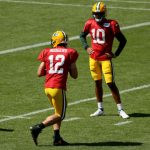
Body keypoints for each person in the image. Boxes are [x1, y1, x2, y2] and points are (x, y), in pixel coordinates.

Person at [80, 2, 129, 119]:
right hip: (93, 59)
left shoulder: (112, 24)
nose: (97, 16)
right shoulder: (89, 23)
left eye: (99, 13)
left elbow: (123, 40)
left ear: (104, 13)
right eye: (95, 13)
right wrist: (86, 47)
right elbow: (82, 35)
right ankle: (100, 108)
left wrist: (115, 54)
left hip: (105, 59)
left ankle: (120, 109)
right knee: (97, 82)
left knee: (110, 83)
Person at [30, 31, 78, 146]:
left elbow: (39, 72)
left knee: (57, 112)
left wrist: (51, 68)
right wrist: (68, 65)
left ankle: (57, 138)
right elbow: (74, 75)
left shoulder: (46, 51)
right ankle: (38, 127)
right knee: (60, 115)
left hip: (47, 88)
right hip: (58, 87)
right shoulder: (70, 52)